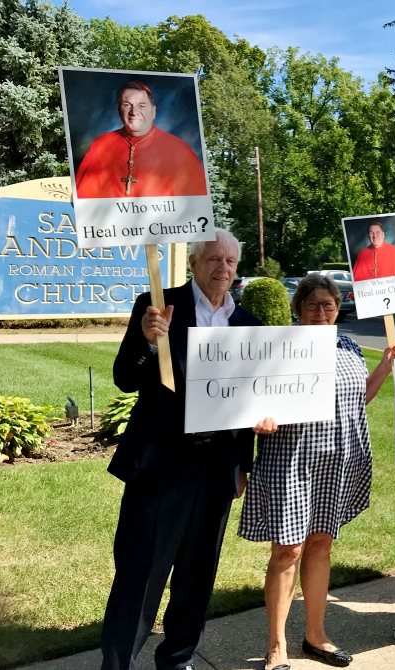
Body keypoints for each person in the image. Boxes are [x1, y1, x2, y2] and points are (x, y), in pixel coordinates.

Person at [101, 230, 260, 670]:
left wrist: (242, 463)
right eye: (213, 259)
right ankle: (118, 665)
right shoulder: (157, 304)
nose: (222, 268)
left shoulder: (246, 323)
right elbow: (124, 378)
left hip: (216, 468)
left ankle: (177, 660)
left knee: (197, 577)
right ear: (192, 262)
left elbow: (247, 399)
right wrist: (150, 342)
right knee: (141, 574)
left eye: (230, 260)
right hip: (160, 465)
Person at [241, 273, 395, 669]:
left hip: (337, 458)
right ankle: (276, 644)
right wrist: (257, 418)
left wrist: (383, 367)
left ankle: (315, 635)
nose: (320, 311)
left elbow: (358, 397)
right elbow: (250, 398)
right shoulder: (279, 347)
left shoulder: (347, 343)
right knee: (287, 551)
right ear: (298, 309)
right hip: (290, 458)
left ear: (337, 309)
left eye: (328, 305)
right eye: (312, 305)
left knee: (320, 546)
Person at [76, 81, 208, 198]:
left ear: (153, 111)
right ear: (119, 109)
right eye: (127, 105)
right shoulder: (101, 145)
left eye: (142, 106)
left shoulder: (179, 149)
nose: (134, 111)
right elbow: (84, 199)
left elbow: (193, 206)